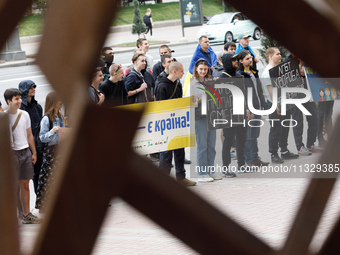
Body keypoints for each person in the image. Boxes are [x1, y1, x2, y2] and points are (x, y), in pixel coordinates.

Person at [155, 62, 196, 186]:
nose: (184, 73)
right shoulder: (161, 86)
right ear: (174, 71)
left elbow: (179, 101)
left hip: (178, 123)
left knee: (180, 152)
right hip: (166, 125)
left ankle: (181, 177)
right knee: (166, 154)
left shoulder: (178, 84)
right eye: (182, 71)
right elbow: (160, 107)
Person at [4, 88, 41, 224]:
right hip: (11, 154)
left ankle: (26, 214)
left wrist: (33, 152)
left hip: (25, 152)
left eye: (20, 98)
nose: (20, 101)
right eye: (16, 99)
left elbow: (29, 134)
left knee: (25, 185)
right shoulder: (3, 117)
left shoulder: (24, 114)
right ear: (9, 101)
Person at [261, 47, 299, 163]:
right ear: (270, 56)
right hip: (275, 105)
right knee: (275, 129)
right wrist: (276, 105)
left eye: (279, 54)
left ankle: (284, 150)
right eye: (277, 54)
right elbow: (270, 90)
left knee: (285, 127)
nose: (280, 56)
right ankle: (273, 153)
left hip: (284, 102)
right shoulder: (268, 72)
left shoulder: (278, 69)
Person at [236, 50, 269, 167]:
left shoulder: (254, 72)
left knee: (255, 135)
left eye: (250, 58)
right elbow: (241, 94)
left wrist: (264, 106)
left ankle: (255, 157)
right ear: (241, 61)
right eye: (247, 59)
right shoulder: (240, 74)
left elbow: (259, 90)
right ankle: (249, 159)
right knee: (249, 136)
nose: (250, 60)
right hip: (249, 110)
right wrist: (246, 109)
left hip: (258, 107)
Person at [190, 59, 220, 182]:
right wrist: (201, 99)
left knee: (211, 145)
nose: (203, 71)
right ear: (196, 69)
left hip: (211, 116)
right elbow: (191, 103)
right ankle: (202, 173)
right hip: (199, 117)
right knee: (202, 145)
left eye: (205, 69)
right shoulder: (193, 84)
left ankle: (211, 170)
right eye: (201, 69)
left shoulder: (209, 81)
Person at [35, 92, 65, 212]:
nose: (61, 102)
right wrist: (52, 131)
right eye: (58, 100)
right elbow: (42, 137)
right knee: (48, 178)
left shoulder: (61, 116)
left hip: (59, 149)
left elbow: (62, 133)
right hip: (50, 151)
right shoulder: (46, 118)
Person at [220, 53, 246, 177]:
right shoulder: (222, 78)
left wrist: (247, 110)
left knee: (241, 139)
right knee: (229, 141)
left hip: (240, 112)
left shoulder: (238, 75)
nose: (236, 62)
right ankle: (225, 168)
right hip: (228, 115)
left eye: (236, 59)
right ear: (227, 62)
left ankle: (242, 164)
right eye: (233, 60)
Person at [18, 80, 43, 194]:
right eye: (30, 87)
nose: (33, 89)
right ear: (24, 90)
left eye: (34, 87)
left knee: (41, 173)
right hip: (26, 147)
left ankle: (41, 200)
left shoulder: (38, 106)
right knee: (29, 177)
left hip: (39, 145)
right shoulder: (21, 109)